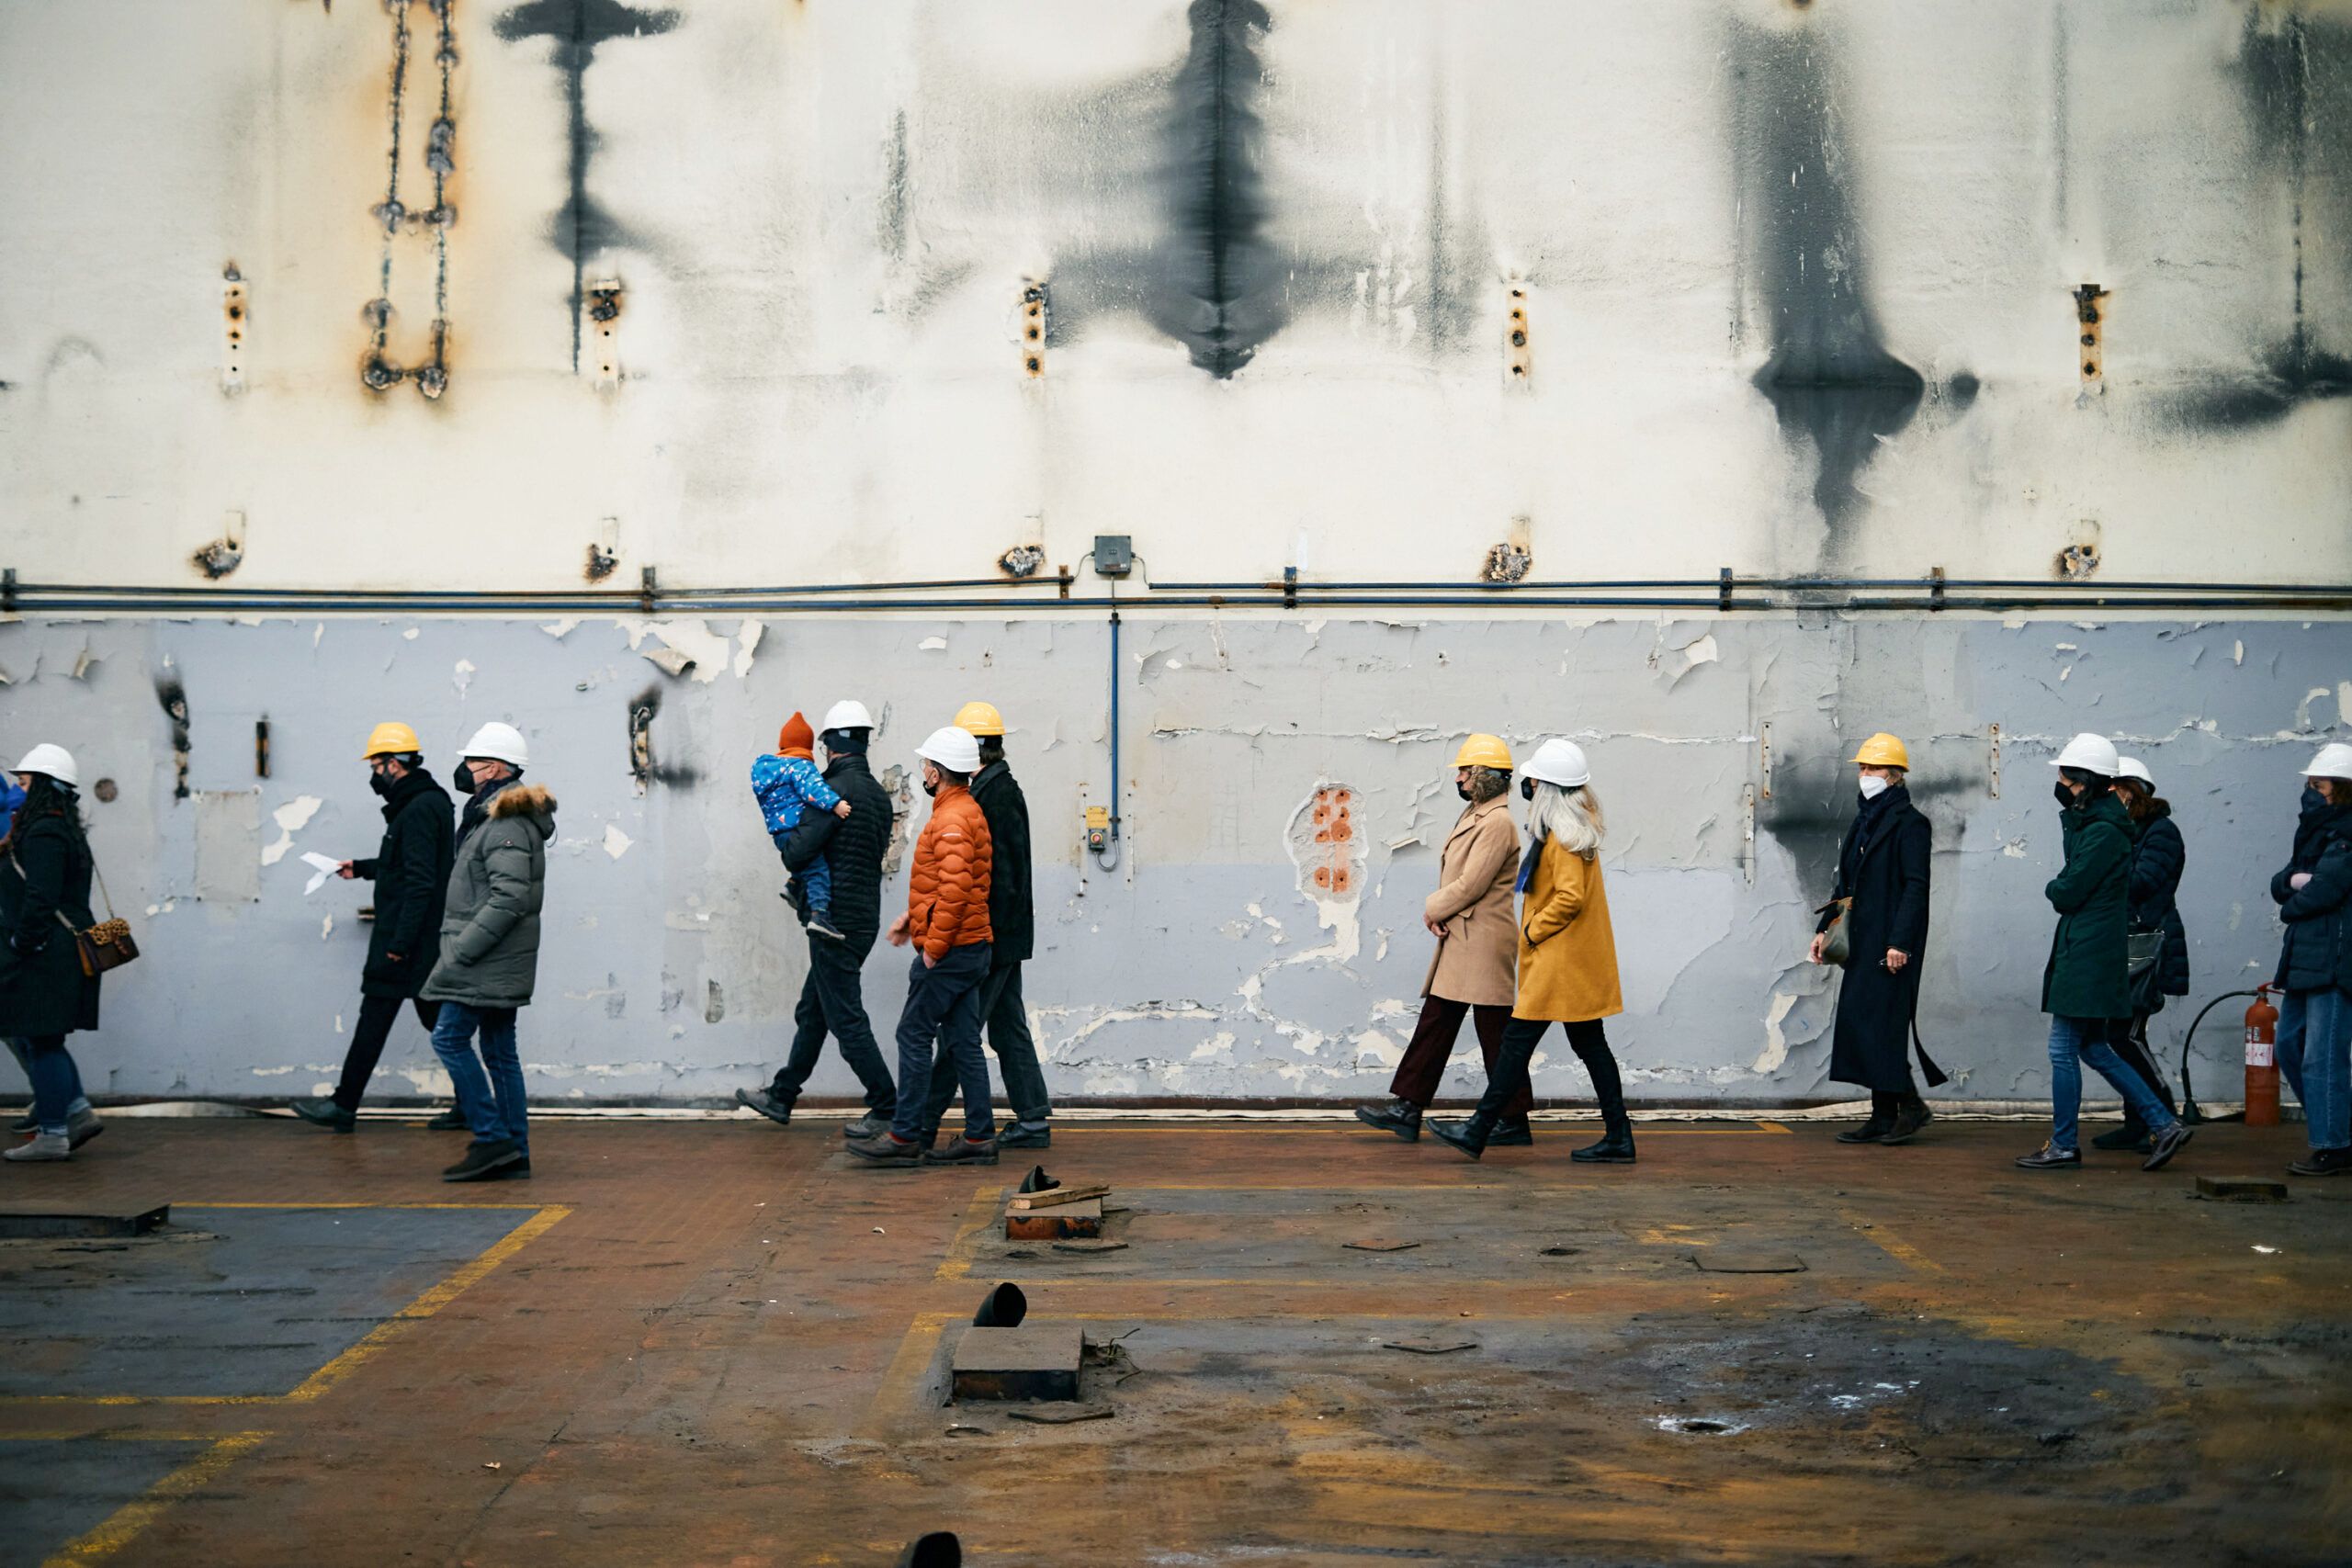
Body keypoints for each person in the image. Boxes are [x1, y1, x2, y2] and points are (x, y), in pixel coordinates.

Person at [1429, 739, 1633, 1163]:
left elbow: (1570, 897)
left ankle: (1478, 1130)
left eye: (1533, 781)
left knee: (1515, 1046)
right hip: (1567, 962)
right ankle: (1619, 1138)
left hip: (1558, 962)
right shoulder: (1568, 832)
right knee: (1589, 1048)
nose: (1527, 786)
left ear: (1547, 789)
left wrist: (1533, 932)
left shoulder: (1562, 838)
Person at [2017, 733, 2192, 1172]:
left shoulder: (2102, 833)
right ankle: (2163, 1123)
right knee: (2094, 1048)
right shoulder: (2100, 827)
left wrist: (2054, 885)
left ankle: (2063, 1144)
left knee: (2063, 1049)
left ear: (2087, 780)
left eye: (2068, 779)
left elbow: (2068, 890)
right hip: (2090, 947)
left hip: (2089, 952)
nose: (2062, 785)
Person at [736, 699, 900, 1134]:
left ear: (830, 745)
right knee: (814, 1010)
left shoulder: (830, 791)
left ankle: (887, 1107)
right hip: (864, 917)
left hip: (833, 924)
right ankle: (782, 1095)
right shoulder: (881, 799)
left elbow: (797, 853)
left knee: (846, 1018)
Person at [1357, 734, 1528, 1144]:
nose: (1461, 777)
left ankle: (1512, 1121)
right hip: (1465, 935)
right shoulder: (1478, 815)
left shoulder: (1498, 823)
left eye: (1467, 771)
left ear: (1486, 777)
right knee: (1438, 1020)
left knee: (1495, 1031)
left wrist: (1434, 908)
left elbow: (1472, 883)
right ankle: (1408, 1108)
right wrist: (1442, 912)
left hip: (1483, 939)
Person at [290, 723, 455, 1133]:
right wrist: (360, 869)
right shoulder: (425, 803)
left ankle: (343, 1106)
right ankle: (473, 1105)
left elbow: (421, 882)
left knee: (377, 1021)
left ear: (395, 765)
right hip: (420, 942)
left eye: (377, 764)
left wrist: (399, 943)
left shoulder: (416, 809)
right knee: (438, 1026)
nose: (374, 773)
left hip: (406, 944)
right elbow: (407, 867)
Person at [848, 726, 998, 1167]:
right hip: (971, 945)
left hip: (953, 951)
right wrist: (911, 919)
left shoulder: (951, 819)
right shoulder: (963, 810)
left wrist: (932, 948)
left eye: (926, 764)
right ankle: (978, 1138)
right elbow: (951, 887)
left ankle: (905, 1135)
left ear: (937, 771)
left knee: (913, 1033)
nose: (923, 771)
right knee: (964, 1042)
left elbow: (954, 891)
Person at [420, 722, 556, 1182]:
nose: (465, 770)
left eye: (472, 762)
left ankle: (491, 1136)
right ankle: (514, 1151)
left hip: (484, 957)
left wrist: (461, 950)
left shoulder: (505, 822)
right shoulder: (491, 815)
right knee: (499, 1051)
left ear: (494, 768)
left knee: (449, 1038)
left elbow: (509, 898)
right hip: (496, 957)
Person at [913, 701, 1053, 1150]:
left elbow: (998, 879)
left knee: (961, 1033)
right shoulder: (997, 789)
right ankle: (1032, 1121)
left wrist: (975, 939)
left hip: (993, 938)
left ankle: (918, 1122)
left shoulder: (992, 797)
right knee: (1006, 1028)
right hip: (1004, 936)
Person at [1810, 733, 1944, 1145]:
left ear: (1896, 775)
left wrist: (1900, 942)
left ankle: (1911, 1108)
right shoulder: (1863, 821)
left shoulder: (1911, 824)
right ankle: (1883, 1116)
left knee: (1882, 1027)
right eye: (1863, 768)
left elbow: (1915, 887)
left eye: (1873, 769)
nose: (1865, 775)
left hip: (1890, 942)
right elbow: (1845, 882)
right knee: (1863, 1024)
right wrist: (1824, 928)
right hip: (1862, 941)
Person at [0, 745, 106, 1161]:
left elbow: (40, 896)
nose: (18, 790)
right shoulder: (57, 826)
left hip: (46, 952)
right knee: (42, 1038)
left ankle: (53, 1134)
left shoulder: (45, 830)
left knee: (42, 1041)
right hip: (56, 949)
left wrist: (22, 943)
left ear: (42, 785)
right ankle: (72, 1113)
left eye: (25, 783)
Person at [2094, 756, 2188, 1153]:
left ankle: (2163, 1116)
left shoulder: (2161, 831)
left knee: (2126, 1035)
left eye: (2112, 789)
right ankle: (2139, 1121)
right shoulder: (2129, 830)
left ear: (2130, 790)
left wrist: (2100, 865)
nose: (2107, 797)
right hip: (2126, 945)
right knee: (2121, 1036)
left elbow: (2144, 881)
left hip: (2147, 948)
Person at [2271, 742, 2352, 1178]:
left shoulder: (2348, 832)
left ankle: (2334, 1144)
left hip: (2337, 960)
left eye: (2317, 784)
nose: (2310, 792)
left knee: (2324, 1055)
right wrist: (2297, 882)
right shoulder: (2316, 833)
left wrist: (2293, 895)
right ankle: (2340, 1128)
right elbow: (2281, 880)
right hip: (2306, 957)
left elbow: (2325, 890)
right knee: (2290, 1046)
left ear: (2340, 789)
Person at [752, 710, 854, 941]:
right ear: (806, 746)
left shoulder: (768, 771)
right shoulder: (800, 767)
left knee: (806, 862)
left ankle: (793, 884)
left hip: (779, 833)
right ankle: (820, 916)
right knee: (818, 870)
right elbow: (814, 790)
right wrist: (836, 804)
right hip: (797, 828)